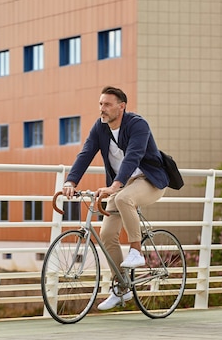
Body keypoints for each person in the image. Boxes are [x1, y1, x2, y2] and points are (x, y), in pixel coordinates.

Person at [61, 86, 169, 310]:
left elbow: (133, 156)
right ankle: (121, 288)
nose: (102, 109)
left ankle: (136, 251)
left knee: (122, 199)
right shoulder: (100, 127)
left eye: (107, 104)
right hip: (121, 184)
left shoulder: (138, 125)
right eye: (101, 104)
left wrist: (115, 186)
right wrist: (70, 182)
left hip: (149, 181)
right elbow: (86, 153)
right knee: (107, 234)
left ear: (122, 107)